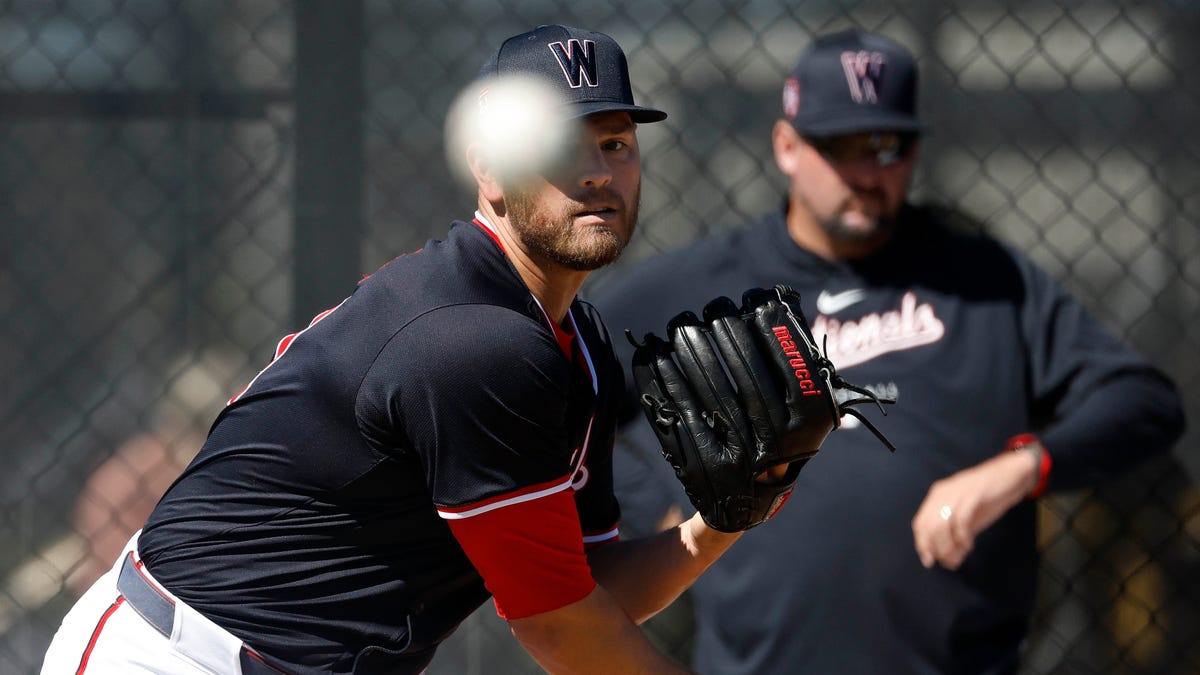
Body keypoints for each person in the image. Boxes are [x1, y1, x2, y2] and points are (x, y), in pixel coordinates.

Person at [40, 24, 778, 675]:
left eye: (616, 142)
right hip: (175, 656)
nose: (596, 173)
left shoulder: (572, 346)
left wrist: (719, 523)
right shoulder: (475, 339)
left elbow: (584, 591)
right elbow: (558, 630)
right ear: (488, 171)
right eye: (558, 144)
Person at [588, 29, 1186, 675]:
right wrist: (644, 497)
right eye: (840, 146)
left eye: (888, 145)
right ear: (787, 146)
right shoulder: (695, 287)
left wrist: (1020, 468)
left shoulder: (982, 282)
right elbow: (562, 407)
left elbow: (1143, 401)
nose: (869, 170)